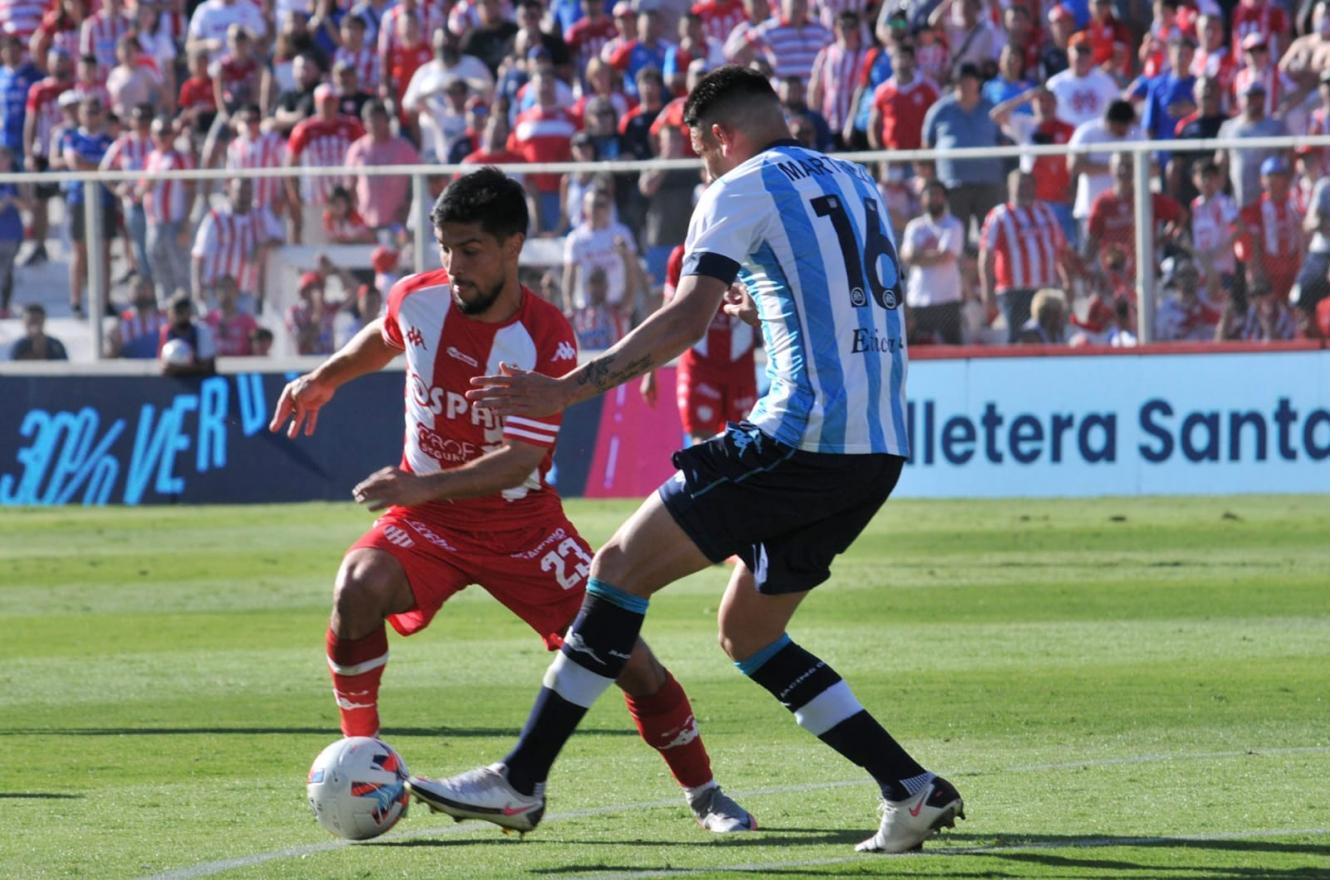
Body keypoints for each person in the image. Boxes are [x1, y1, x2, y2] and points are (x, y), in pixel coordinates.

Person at [410, 66, 963, 856]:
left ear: (715, 136)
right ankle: (912, 789)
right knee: (749, 632)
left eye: (695, 148)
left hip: (799, 439)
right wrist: (765, 301)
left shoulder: (737, 186)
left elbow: (684, 320)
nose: (698, 165)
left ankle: (521, 781)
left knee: (617, 568)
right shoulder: (853, 178)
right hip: (876, 448)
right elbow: (842, 299)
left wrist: (567, 390)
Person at [267, 167, 755, 835]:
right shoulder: (420, 297)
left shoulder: (544, 337)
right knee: (357, 584)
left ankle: (706, 794)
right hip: (431, 520)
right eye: (445, 249)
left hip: (523, 527)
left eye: (470, 251)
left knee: (628, 659)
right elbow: (384, 336)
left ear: (512, 247)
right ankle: (364, 758)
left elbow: (522, 460)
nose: (454, 266)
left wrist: (419, 486)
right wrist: (324, 379)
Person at [639, 241, 757, 442]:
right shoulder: (683, 255)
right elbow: (669, 315)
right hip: (699, 363)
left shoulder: (753, 252)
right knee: (702, 442)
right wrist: (652, 370)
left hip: (741, 365)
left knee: (742, 442)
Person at [979, 170, 1072, 343]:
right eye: (1020, 186)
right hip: (1015, 291)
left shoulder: (1045, 211)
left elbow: (1059, 248)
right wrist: (988, 293)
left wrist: (1066, 280)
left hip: (1046, 289)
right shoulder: (999, 216)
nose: (1024, 190)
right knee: (1021, 339)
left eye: (1028, 185)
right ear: (1010, 188)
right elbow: (987, 256)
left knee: (1052, 336)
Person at [900, 179, 965, 344]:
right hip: (919, 299)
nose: (934, 199)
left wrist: (919, 257)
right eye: (929, 195)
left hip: (947, 299)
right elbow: (907, 257)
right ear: (922, 199)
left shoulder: (954, 225)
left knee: (952, 348)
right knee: (919, 347)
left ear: (945, 199)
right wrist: (934, 256)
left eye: (938, 195)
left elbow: (947, 256)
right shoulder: (914, 226)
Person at [158, 292, 218, 375]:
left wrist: (181, 369)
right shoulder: (166, 331)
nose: (181, 316)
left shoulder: (202, 331)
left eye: (184, 311)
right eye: (178, 311)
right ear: (170, 313)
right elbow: (163, 365)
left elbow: (208, 367)